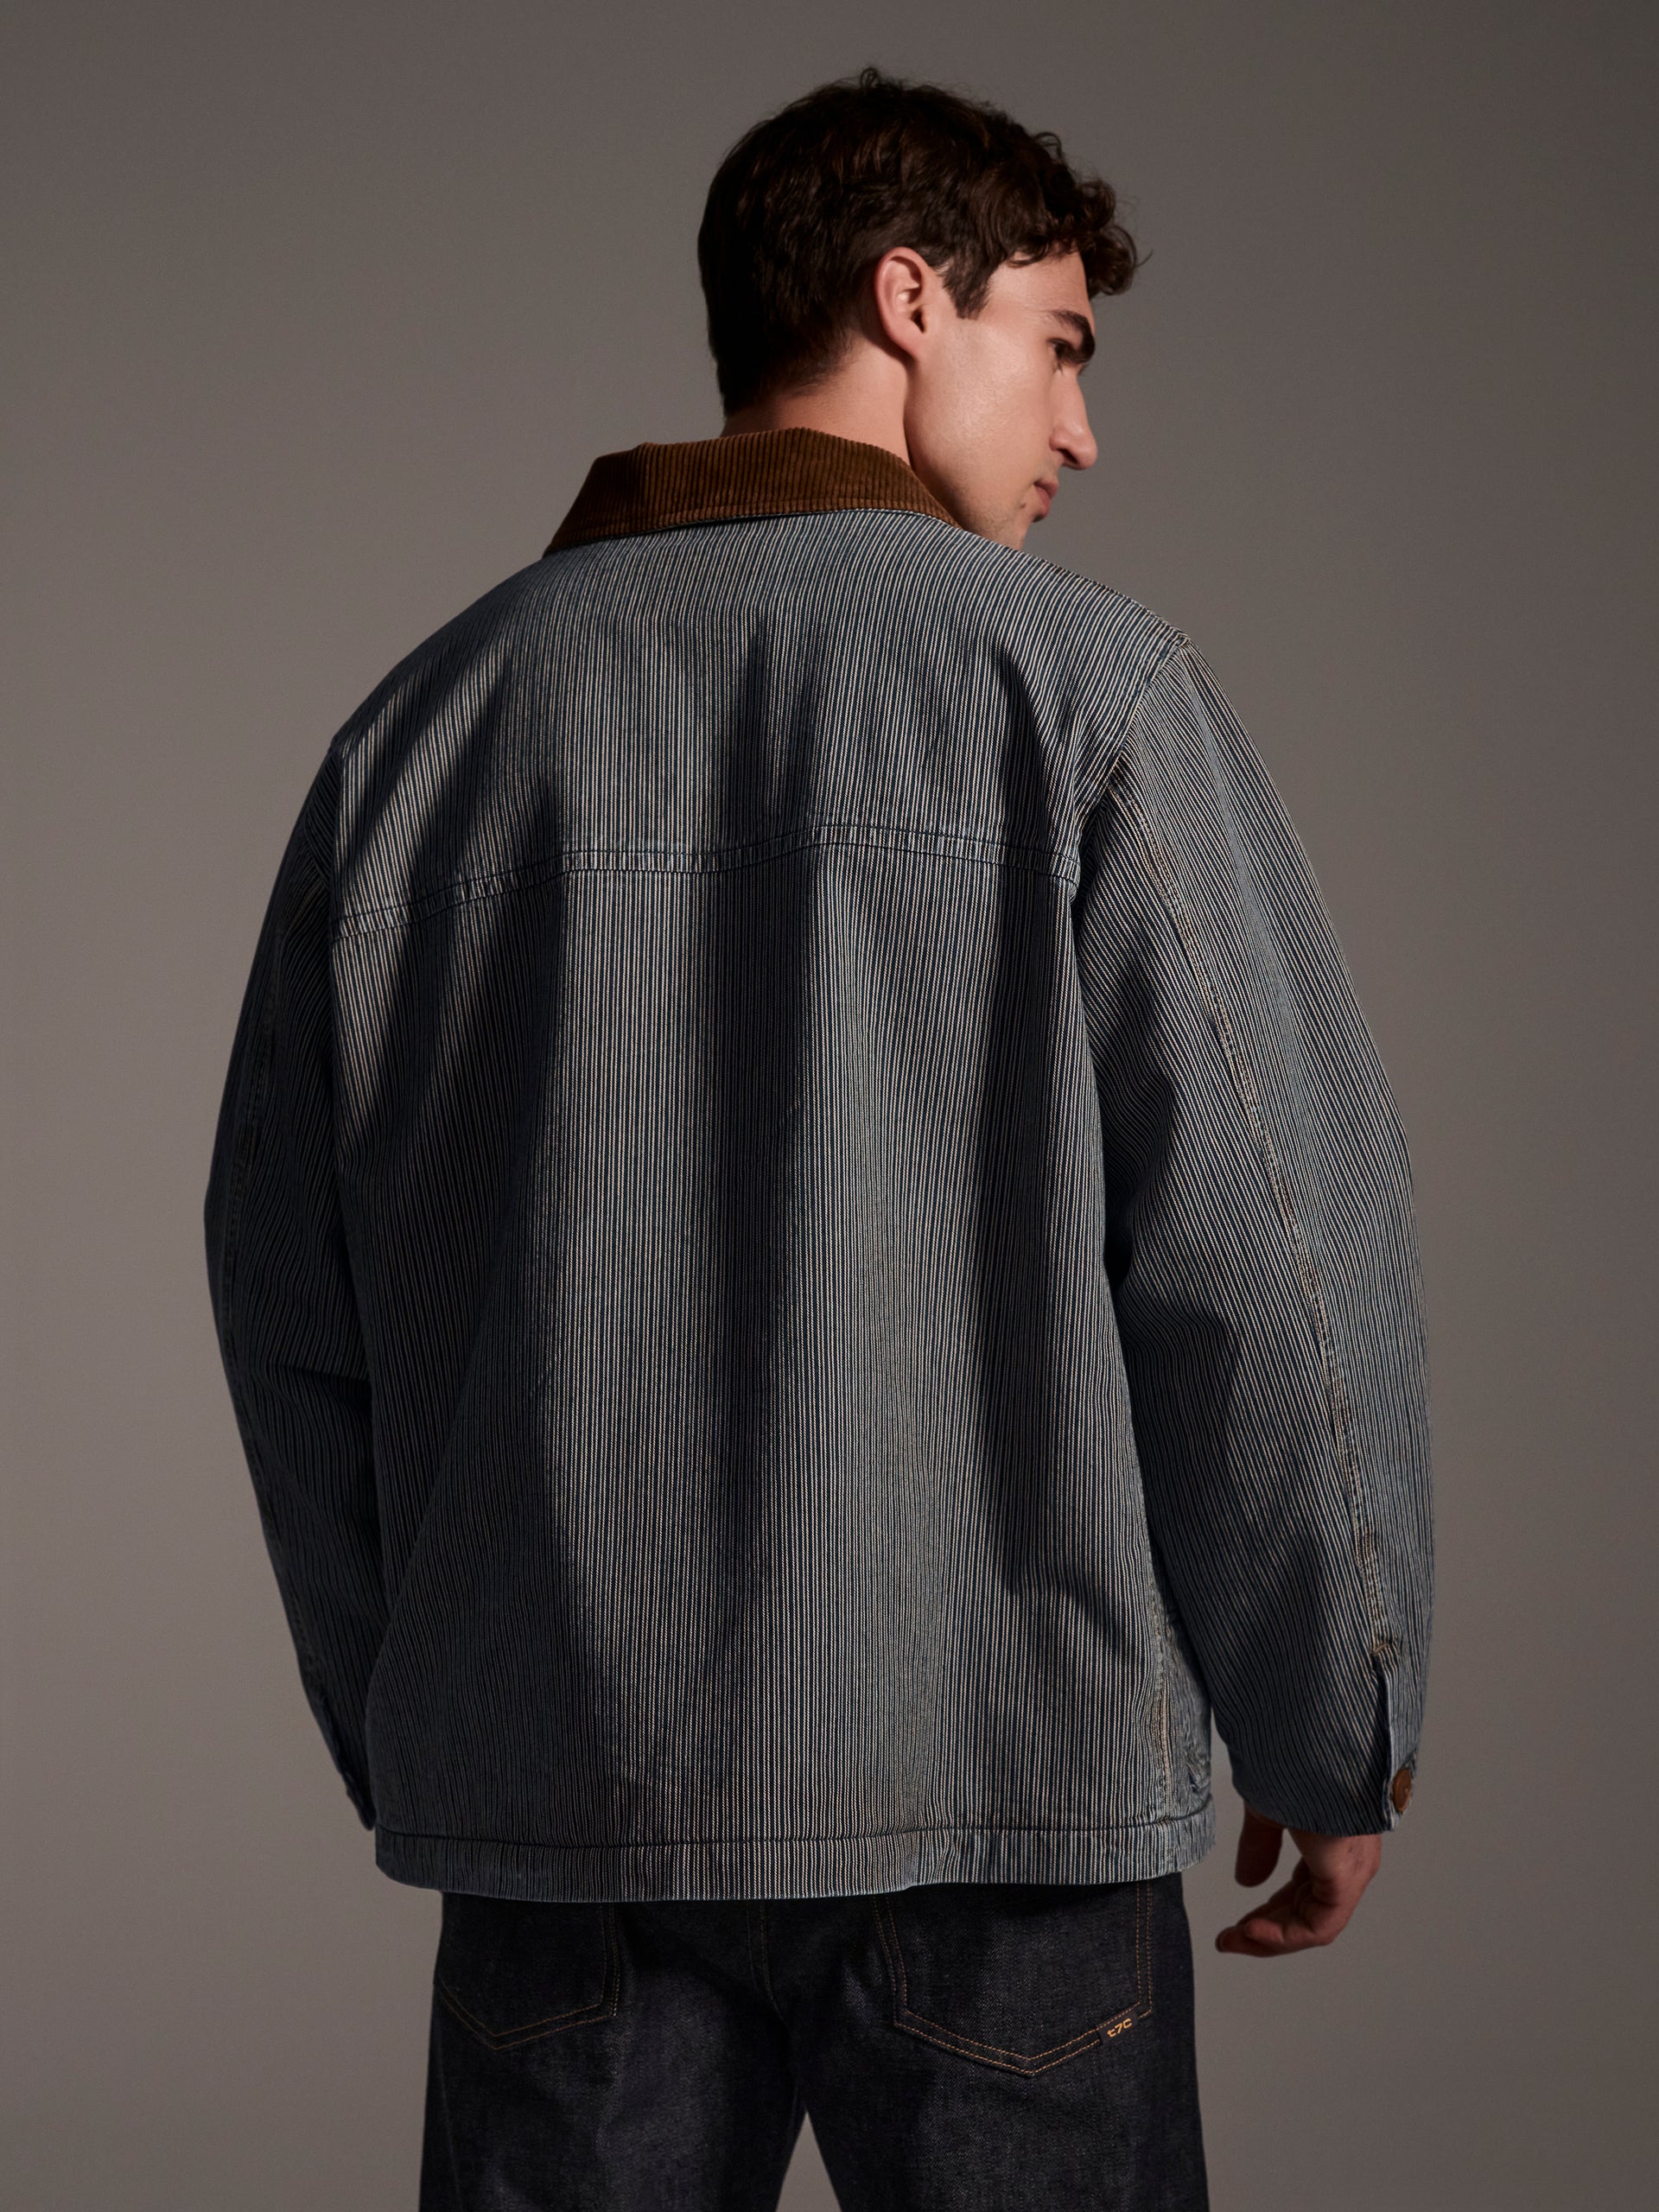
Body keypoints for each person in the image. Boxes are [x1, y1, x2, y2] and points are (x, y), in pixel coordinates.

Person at [204, 66, 1433, 2212]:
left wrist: (435, 1716)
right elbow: (1271, 1251)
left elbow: (284, 1294)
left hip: (559, 1804)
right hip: (1002, 1808)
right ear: (907, 298)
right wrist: (1338, 1720)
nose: (1079, 431)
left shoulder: (422, 736)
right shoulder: (1085, 696)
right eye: (1056, 346)